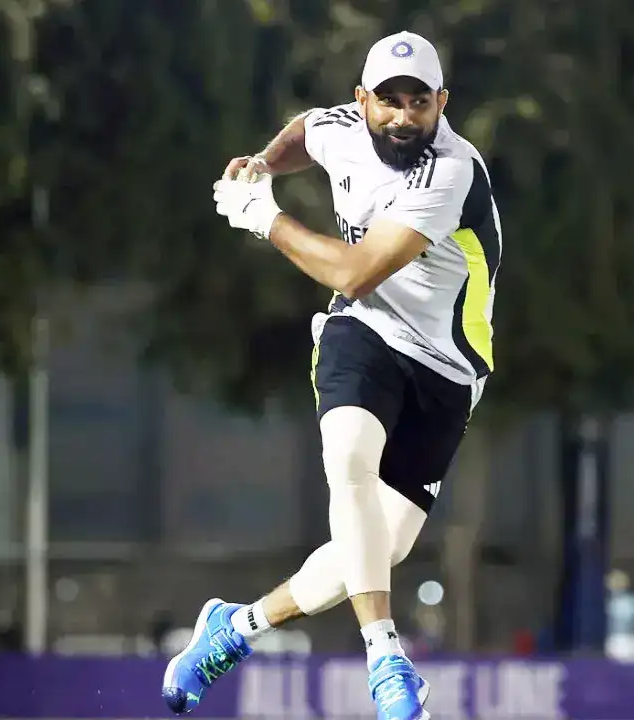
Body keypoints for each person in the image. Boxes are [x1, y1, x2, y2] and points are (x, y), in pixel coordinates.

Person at [161, 30, 503, 720]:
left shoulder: (450, 171)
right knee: (349, 456)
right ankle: (387, 661)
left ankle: (235, 628)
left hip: (446, 369)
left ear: (442, 103)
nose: (402, 117)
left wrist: (265, 216)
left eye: (418, 102)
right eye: (388, 101)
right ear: (361, 100)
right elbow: (306, 132)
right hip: (364, 330)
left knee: (376, 548)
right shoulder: (342, 125)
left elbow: (356, 269)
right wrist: (264, 161)